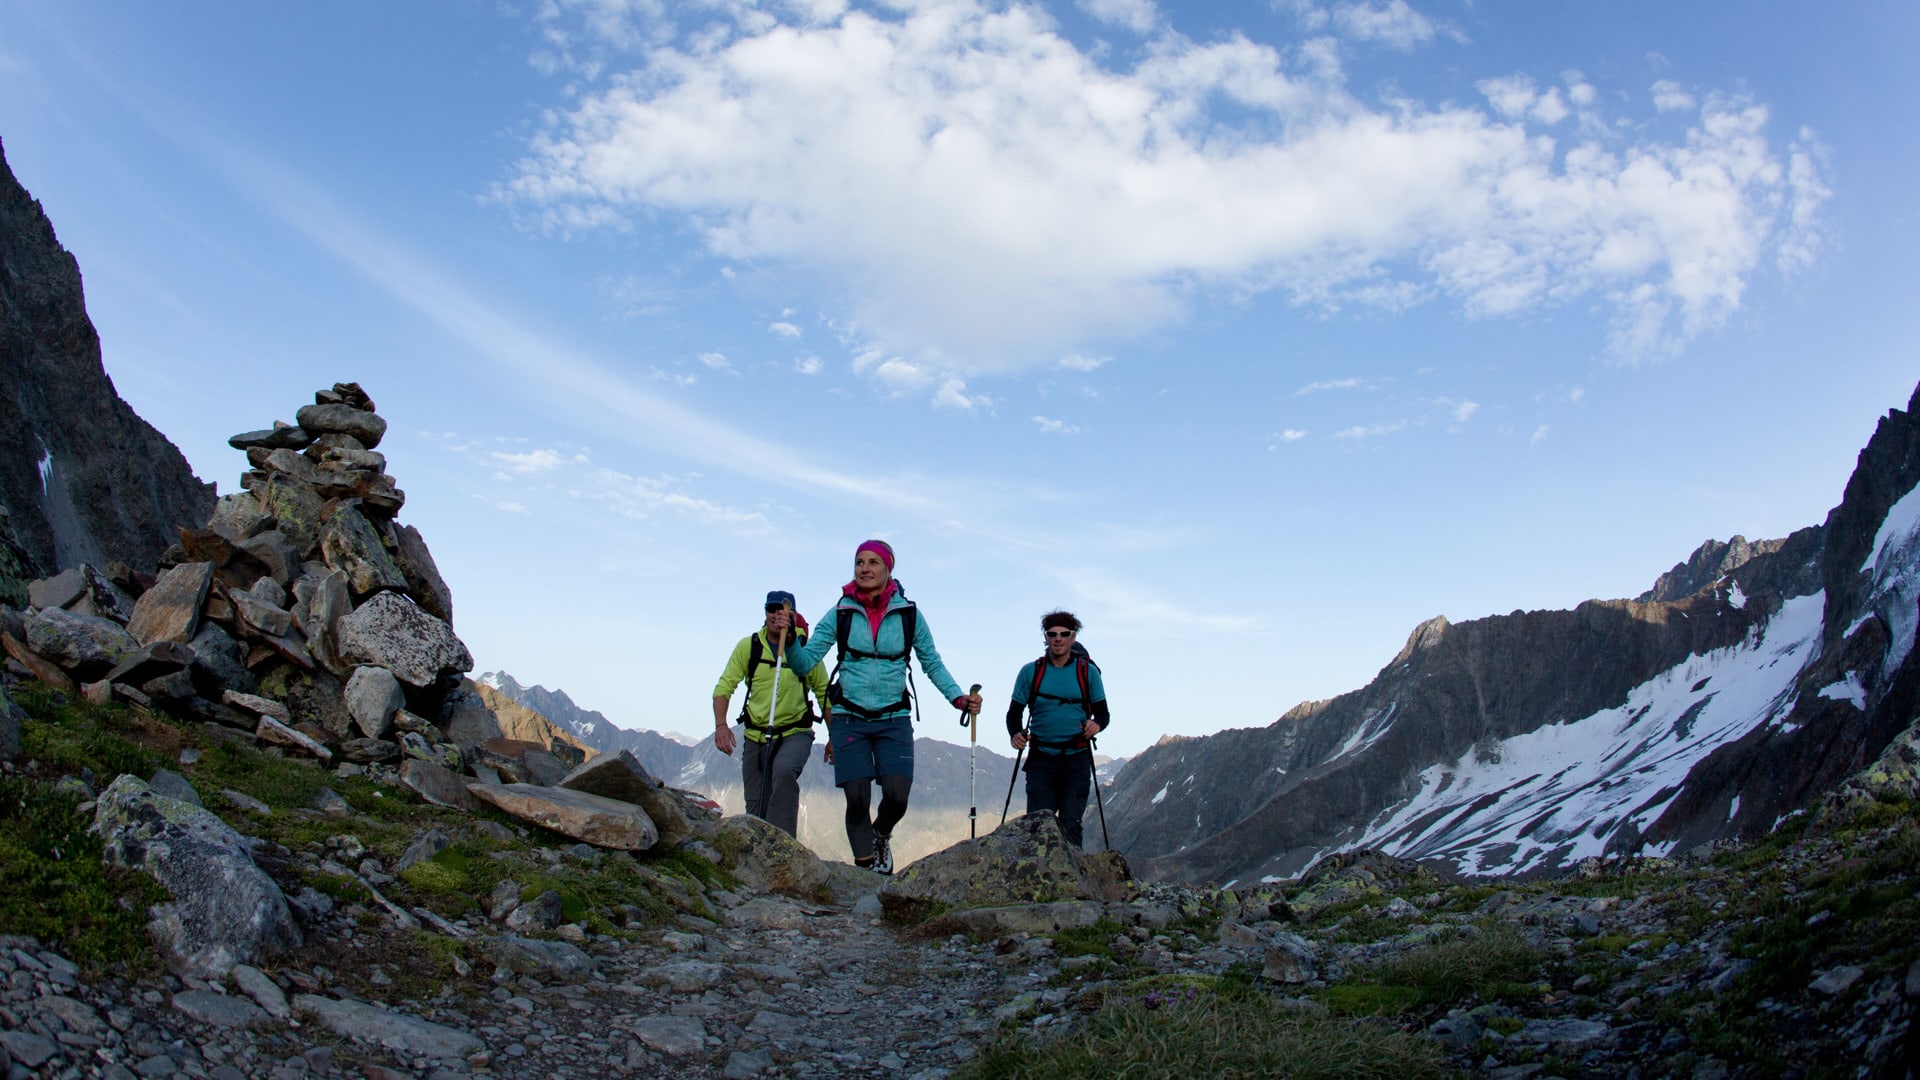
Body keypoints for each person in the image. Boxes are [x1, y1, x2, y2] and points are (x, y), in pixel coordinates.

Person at [771, 540, 982, 873]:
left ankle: (881, 835)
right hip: (848, 717)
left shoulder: (909, 614)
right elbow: (804, 663)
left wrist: (958, 698)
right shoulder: (840, 611)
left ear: (888, 569)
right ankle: (865, 873)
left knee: (897, 796)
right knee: (856, 798)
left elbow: (932, 663)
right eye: (859, 562)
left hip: (893, 717)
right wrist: (794, 639)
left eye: (872, 562)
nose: (864, 569)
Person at [712, 590, 832, 838]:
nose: (776, 614)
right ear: (765, 613)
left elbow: (825, 695)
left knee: (784, 770)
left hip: (795, 732)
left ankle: (785, 850)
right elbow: (724, 687)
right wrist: (721, 725)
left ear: (793, 616)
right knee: (756, 807)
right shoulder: (750, 646)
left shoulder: (806, 650)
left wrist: (835, 737)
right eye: (771, 609)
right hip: (756, 734)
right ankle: (757, 860)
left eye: (783, 610)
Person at [1005, 610, 1109, 847]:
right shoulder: (1030, 672)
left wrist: (1097, 724)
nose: (1058, 638)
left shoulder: (1088, 672)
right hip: (1042, 759)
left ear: (1073, 638)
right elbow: (1014, 713)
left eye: (1064, 634)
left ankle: (1071, 880)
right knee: (1039, 826)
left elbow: (1104, 714)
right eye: (1052, 634)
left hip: (1076, 758)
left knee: (1071, 823)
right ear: (1046, 637)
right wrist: (1016, 734)